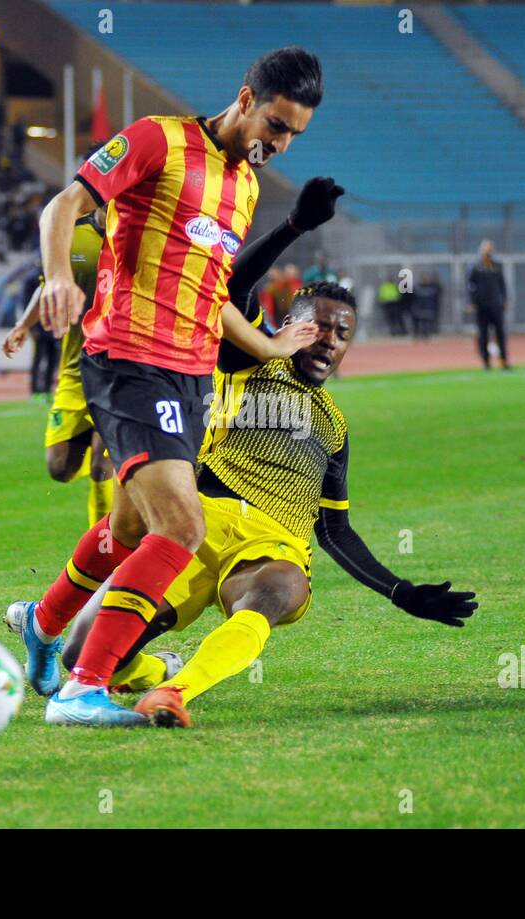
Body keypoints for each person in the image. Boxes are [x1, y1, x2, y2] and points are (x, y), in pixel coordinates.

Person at [23, 47, 335, 726]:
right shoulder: (156, 140)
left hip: (192, 376)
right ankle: (84, 688)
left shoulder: (246, 189)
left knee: (130, 528)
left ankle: (45, 626)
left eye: (293, 136)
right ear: (246, 99)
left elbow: (212, 292)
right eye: (276, 127)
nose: (280, 144)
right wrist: (55, 276)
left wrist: (271, 344)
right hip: (128, 359)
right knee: (183, 525)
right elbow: (64, 205)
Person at [38, 282, 476, 727]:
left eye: (342, 334)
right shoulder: (249, 364)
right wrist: (295, 224)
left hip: (273, 545)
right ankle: (154, 670)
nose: (330, 341)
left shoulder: (335, 426)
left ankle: (174, 692)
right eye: (319, 327)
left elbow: (334, 530)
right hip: (195, 528)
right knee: (81, 650)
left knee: (273, 590)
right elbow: (236, 286)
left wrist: (399, 591)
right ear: (289, 327)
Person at [4, 201, 115, 527]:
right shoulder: (71, 234)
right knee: (60, 467)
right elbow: (49, 284)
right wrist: (24, 325)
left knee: (100, 466)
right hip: (76, 367)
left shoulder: (139, 233)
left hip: (121, 369)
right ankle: (133, 469)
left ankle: (106, 556)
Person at [467, 239, 510, 370]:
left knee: (500, 333)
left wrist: (505, 300)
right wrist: (471, 302)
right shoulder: (476, 267)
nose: (488, 252)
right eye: (486, 249)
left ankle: (503, 360)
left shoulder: (497, 266)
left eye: (490, 249)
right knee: (483, 334)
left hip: (496, 305)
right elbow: (469, 286)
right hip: (481, 306)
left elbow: (502, 284)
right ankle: (486, 361)